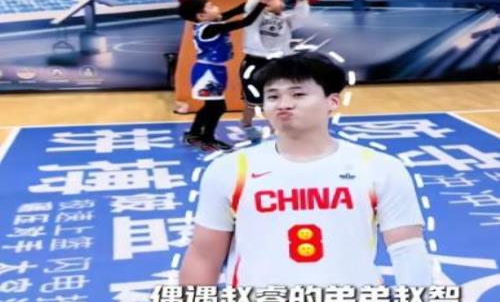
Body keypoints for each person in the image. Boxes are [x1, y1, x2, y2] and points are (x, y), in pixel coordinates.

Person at [179, 52, 433, 287]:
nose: (283, 104)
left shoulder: (379, 168)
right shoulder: (229, 169)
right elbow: (204, 254)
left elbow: (407, 249)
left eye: (298, 94)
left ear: (332, 101)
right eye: (273, 96)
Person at [177, 0, 270, 152]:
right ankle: (207, 138)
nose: (216, 7)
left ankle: (194, 134)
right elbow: (246, 21)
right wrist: (262, 4)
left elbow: (238, 10)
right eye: (211, 6)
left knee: (211, 107)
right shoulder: (210, 29)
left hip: (215, 70)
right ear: (201, 16)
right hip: (208, 72)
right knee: (217, 107)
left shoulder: (211, 23)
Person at [240, 0, 310, 141]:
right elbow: (252, 3)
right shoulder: (254, 17)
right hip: (256, 62)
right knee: (252, 102)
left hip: (279, 63)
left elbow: (301, 16)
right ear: (265, 3)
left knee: (277, 99)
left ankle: (275, 131)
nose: (282, 0)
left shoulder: (286, 20)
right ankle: (246, 124)